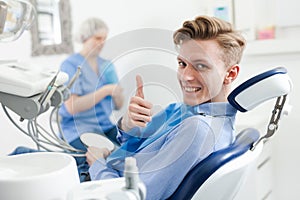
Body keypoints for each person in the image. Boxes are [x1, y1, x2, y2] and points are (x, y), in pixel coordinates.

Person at [84, 15, 246, 200]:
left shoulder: (199, 130)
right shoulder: (182, 109)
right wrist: (129, 125)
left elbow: (135, 197)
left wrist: (97, 164)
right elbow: (136, 148)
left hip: (103, 186)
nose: (185, 76)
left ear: (230, 74)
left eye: (200, 66)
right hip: (109, 171)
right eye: (182, 64)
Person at [59, 17, 124, 151]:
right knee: (107, 158)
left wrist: (117, 93)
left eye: (104, 38)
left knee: (132, 150)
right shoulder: (70, 65)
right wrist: (105, 90)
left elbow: (119, 105)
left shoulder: (106, 65)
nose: (102, 43)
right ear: (84, 38)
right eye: (97, 38)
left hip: (104, 126)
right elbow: (72, 106)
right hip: (78, 129)